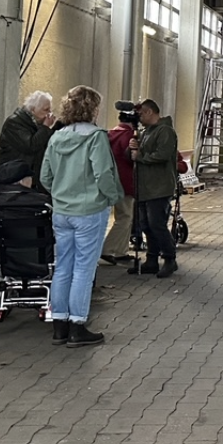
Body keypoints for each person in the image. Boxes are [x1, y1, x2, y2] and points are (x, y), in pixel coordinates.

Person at [40, 85, 122, 348]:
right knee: (84, 269)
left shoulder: (57, 137)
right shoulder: (96, 137)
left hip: (61, 212)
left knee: (62, 266)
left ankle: (59, 326)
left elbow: (45, 177)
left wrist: (61, 194)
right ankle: (77, 326)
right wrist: (112, 197)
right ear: (94, 108)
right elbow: (103, 174)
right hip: (89, 211)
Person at [129, 98, 180, 278]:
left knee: (157, 224)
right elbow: (137, 155)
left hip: (159, 186)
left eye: (141, 113)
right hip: (145, 186)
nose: (139, 117)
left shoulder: (165, 131)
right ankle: (151, 259)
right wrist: (133, 149)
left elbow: (162, 155)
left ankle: (169, 258)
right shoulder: (145, 132)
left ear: (150, 112)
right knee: (145, 225)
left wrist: (140, 156)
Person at [0, 90, 57, 192]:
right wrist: (46, 127)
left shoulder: (36, 125)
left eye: (50, 110)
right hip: (13, 182)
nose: (49, 115)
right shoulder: (14, 123)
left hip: (33, 181)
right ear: (33, 110)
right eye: (46, 110)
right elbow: (31, 146)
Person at [99, 111, 138, 265]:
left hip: (112, 180)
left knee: (123, 217)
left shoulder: (110, 134)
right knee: (125, 217)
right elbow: (132, 158)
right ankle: (107, 249)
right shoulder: (129, 136)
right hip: (126, 182)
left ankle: (122, 251)